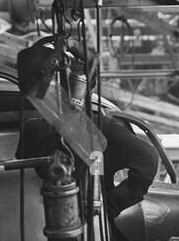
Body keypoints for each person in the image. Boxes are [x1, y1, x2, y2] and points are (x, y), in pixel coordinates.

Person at [16, 40, 158, 218]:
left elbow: (147, 158)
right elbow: (148, 159)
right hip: (66, 225)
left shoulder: (95, 129)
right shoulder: (36, 129)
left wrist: (107, 207)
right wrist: (109, 207)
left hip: (65, 226)